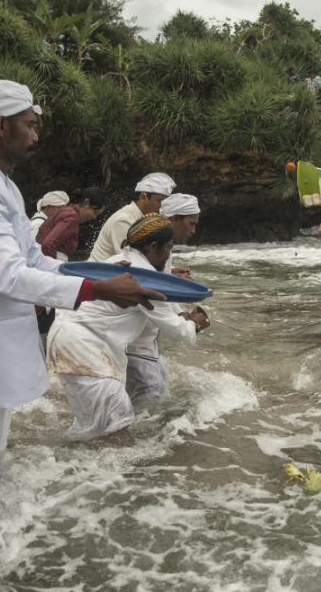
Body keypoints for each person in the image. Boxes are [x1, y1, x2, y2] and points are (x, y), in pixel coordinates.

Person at [0, 80, 163, 523]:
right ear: (2, 126)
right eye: (30, 125)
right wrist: (97, 291)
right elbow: (6, 274)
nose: (36, 136)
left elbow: (33, 258)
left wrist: (101, 275)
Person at [47, 214, 209, 440]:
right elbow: (178, 332)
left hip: (68, 341)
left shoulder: (116, 261)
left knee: (95, 429)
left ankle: (70, 465)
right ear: (152, 247)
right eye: (168, 248)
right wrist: (197, 323)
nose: (169, 255)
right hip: (85, 350)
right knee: (116, 430)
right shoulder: (145, 279)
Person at [125, 193, 202, 407]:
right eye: (191, 223)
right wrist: (193, 324)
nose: (193, 231)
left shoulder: (151, 248)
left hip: (139, 334)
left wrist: (178, 314)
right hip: (133, 338)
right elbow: (155, 292)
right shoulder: (148, 257)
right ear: (175, 219)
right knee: (148, 397)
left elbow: (162, 290)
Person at [87, 172, 175, 262]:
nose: (162, 207)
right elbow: (130, 261)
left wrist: (171, 271)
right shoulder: (123, 220)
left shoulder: (145, 221)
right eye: (159, 201)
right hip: (98, 273)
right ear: (143, 197)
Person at [36, 187, 108, 262]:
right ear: (86, 203)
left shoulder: (68, 211)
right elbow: (49, 245)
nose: (94, 217)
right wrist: (55, 267)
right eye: (95, 212)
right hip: (50, 263)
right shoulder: (71, 217)